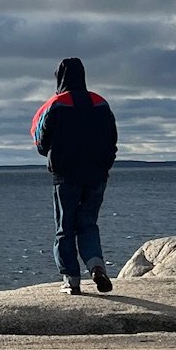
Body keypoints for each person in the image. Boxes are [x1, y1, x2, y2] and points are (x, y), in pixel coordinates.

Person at [31, 57, 118, 294]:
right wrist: (105, 165)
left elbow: (42, 143)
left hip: (66, 176)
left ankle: (71, 279)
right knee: (88, 223)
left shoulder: (57, 105)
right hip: (97, 175)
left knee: (65, 228)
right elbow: (112, 140)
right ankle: (96, 265)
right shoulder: (101, 103)